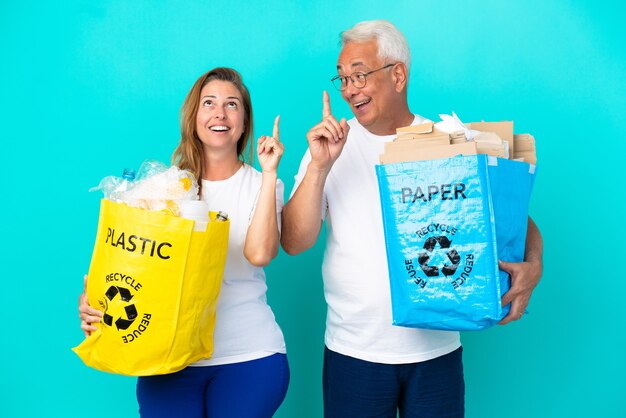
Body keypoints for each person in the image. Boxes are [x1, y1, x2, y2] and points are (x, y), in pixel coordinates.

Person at [281, 20, 543, 418]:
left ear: (398, 74)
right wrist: (319, 168)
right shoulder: (329, 147)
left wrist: (534, 265)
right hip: (353, 351)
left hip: (436, 351)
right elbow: (295, 241)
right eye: (342, 79)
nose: (349, 89)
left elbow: (514, 218)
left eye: (359, 75)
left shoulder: (449, 142)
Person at [78, 67, 289, 418]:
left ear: (244, 121)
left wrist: (269, 175)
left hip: (248, 356)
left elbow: (260, 253)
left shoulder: (263, 183)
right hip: (167, 357)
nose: (220, 114)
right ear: (194, 117)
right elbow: (129, 264)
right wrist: (94, 301)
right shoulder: (159, 189)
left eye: (232, 105)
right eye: (209, 103)